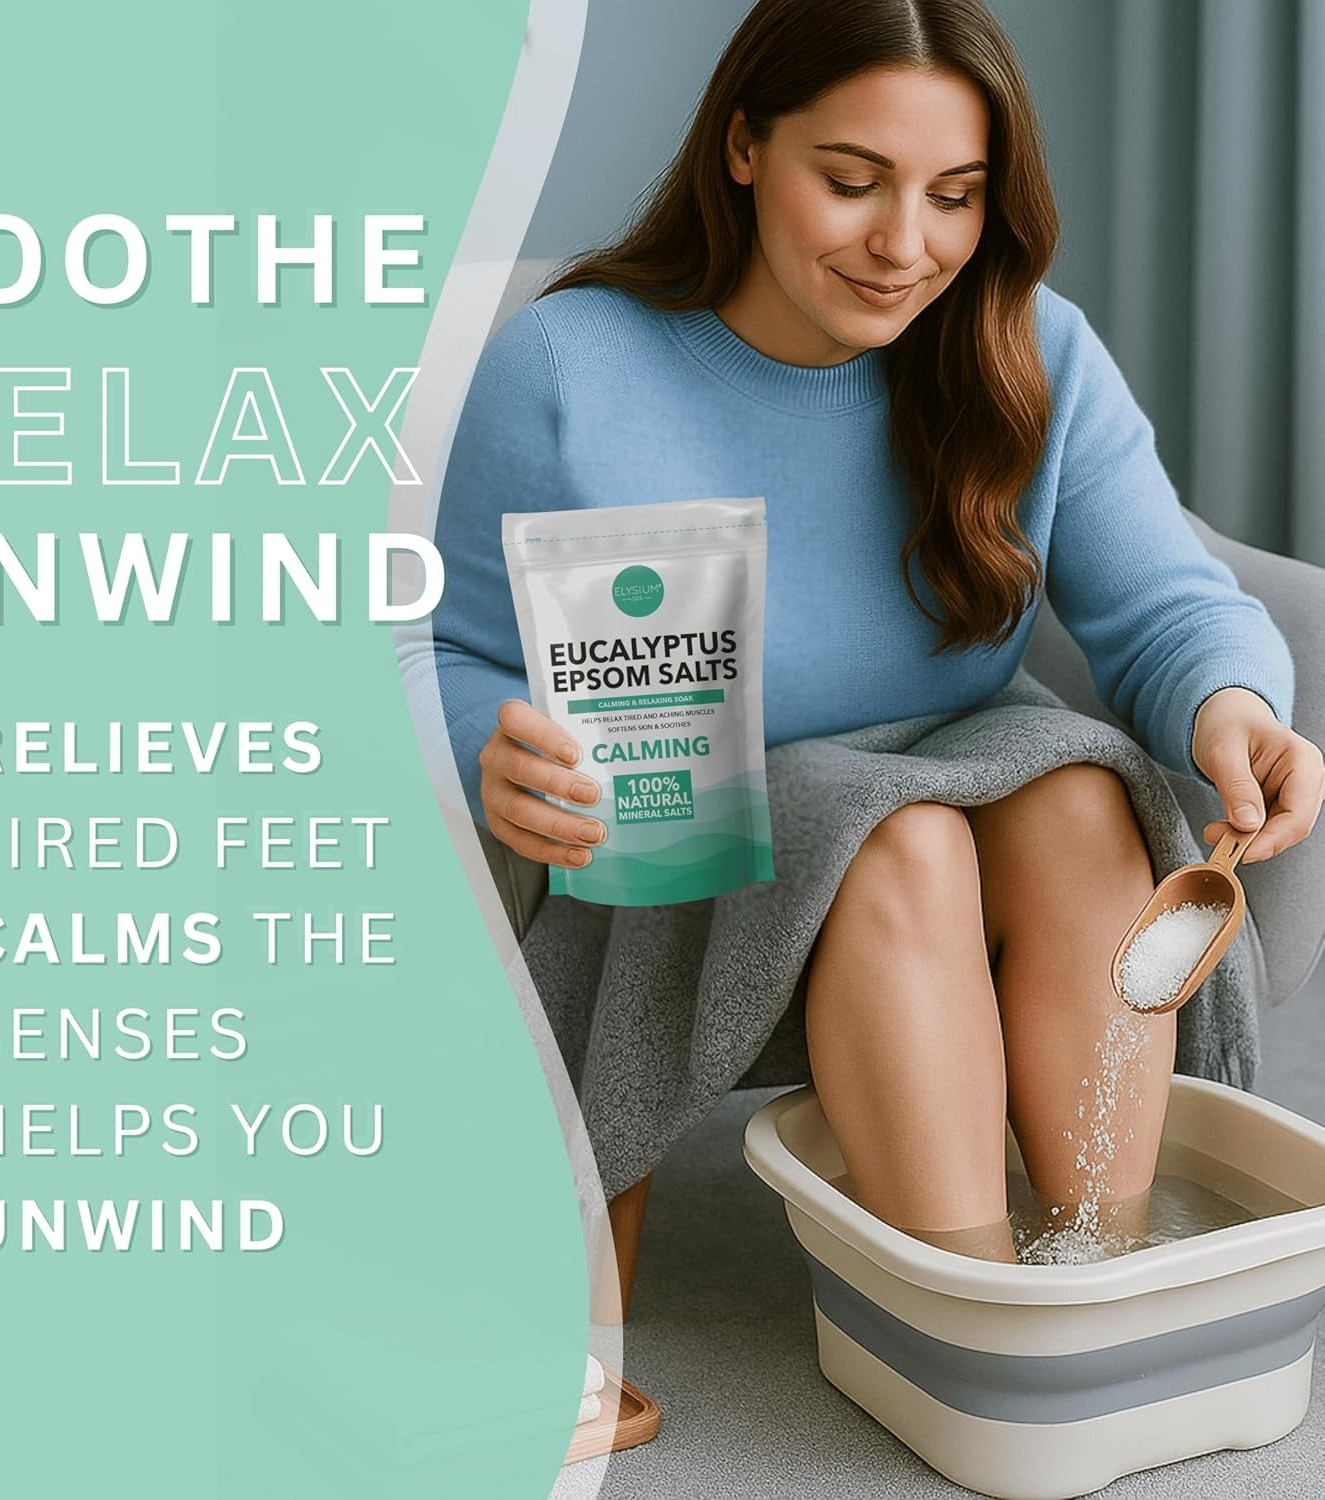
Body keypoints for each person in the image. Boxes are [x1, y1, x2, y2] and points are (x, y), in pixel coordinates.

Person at [423, 0, 1324, 1262]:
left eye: (955, 196)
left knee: (1081, 806)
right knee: (902, 845)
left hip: (974, 758)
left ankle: (1092, 1264)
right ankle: (969, 1292)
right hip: (716, 816)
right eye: (853, 183)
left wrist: (1234, 706)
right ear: (744, 147)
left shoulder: (1030, 344)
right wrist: (488, 746)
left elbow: (1169, 600)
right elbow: (444, 650)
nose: (907, 245)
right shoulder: (569, 365)